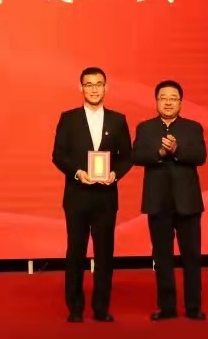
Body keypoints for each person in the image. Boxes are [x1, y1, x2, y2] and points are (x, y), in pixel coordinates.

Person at [51, 67, 133, 323]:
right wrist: (77, 173)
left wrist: (115, 174)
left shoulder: (118, 120)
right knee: (75, 252)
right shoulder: (68, 118)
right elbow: (58, 155)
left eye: (99, 84)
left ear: (106, 87)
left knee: (105, 254)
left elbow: (127, 157)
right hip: (77, 195)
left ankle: (101, 308)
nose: (94, 89)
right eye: (89, 84)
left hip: (106, 198)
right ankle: (75, 308)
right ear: (81, 88)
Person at [133, 79, 208, 321]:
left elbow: (200, 156)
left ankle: (193, 307)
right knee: (162, 258)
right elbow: (137, 156)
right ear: (156, 101)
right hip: (158, 203)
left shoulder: (193, 128)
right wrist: (160, 153)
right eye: (163, 98)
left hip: (188, 203)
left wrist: (176, 151)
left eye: (173, 98)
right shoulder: (145, 128)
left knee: (191, 257)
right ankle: (167, 308)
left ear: (180, 102)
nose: (168, 102)